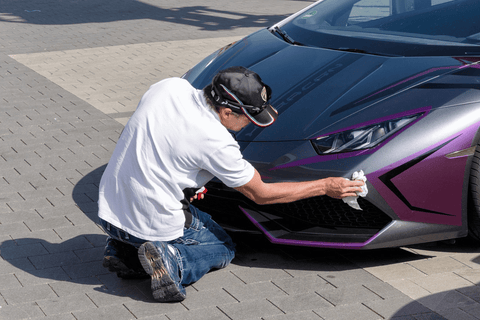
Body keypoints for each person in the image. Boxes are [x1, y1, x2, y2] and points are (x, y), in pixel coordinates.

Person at [97, 66, 364, 302]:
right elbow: (261, 194)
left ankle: (124, 250)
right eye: (248, 117)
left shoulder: (169, 86)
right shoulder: (215, 141)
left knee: (197, 218)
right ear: (226, 112)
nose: (251, 123)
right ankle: (174, 262)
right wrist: (326, 186)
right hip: (152, 222)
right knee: (223, 245)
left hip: (109, 212)